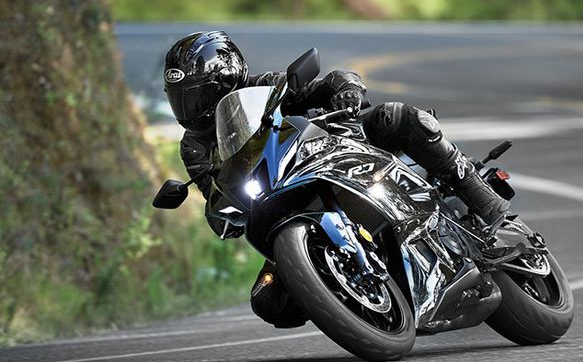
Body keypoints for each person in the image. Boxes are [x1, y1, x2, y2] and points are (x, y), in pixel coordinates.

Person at [164, 30, 510, 328]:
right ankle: (357, 299)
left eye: (196, 94)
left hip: (338, 150)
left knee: (400, 118)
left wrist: (346, 90)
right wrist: (220, 212)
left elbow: (331, 81)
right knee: (270, 301)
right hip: (279, 202)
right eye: (180, 98)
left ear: (226, 78)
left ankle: (480, 197)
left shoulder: (266, 88)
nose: (189, 106)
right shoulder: (193, 147)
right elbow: (215, 196)